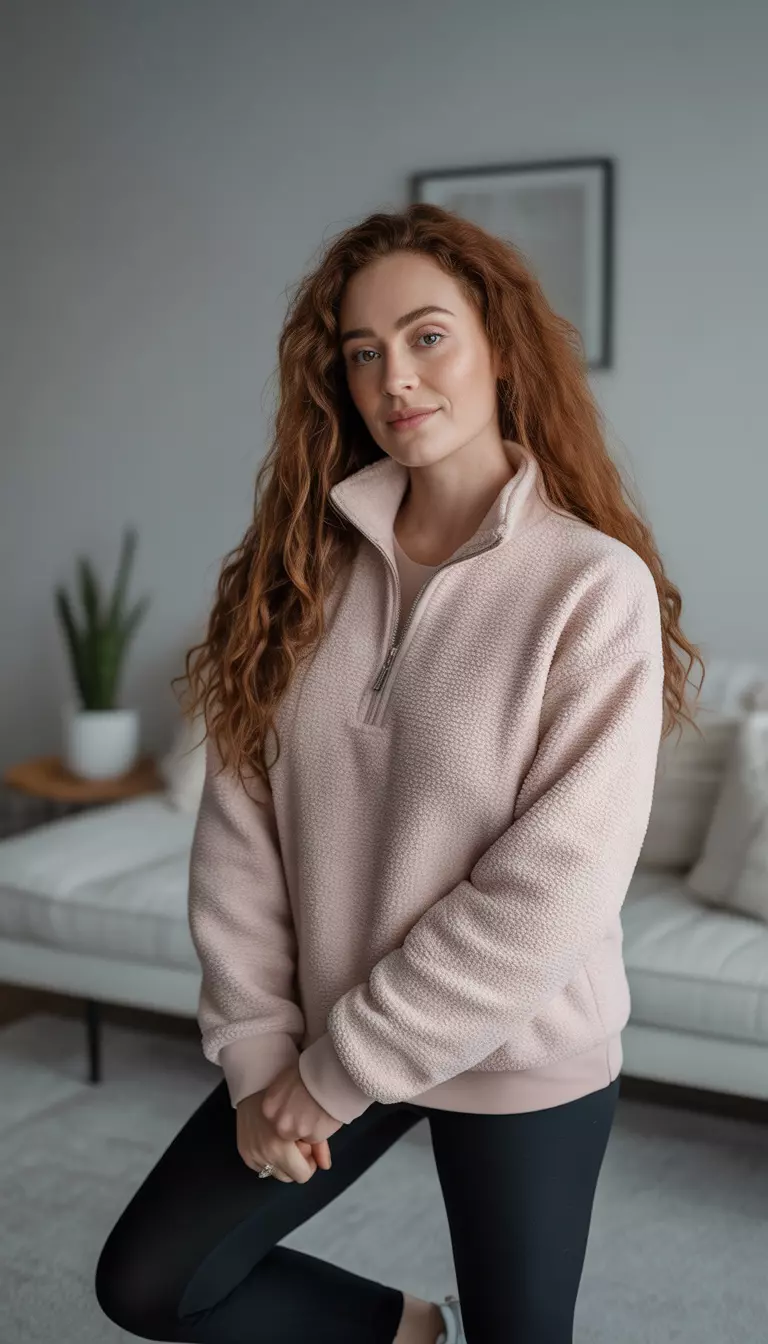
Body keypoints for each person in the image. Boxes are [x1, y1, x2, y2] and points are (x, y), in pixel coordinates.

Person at [94, 203, 704, 1344]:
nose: (394, 378)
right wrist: (264, 1059)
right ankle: (421, 1336)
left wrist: (334, 1073)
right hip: (327, 1036)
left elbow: (551, 891)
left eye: (427, 337)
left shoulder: (590, 585)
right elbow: (240, 843)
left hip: (515, 1047)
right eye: (363, 352)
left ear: (500, 349)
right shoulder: (295, 576)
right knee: (150, 1283)